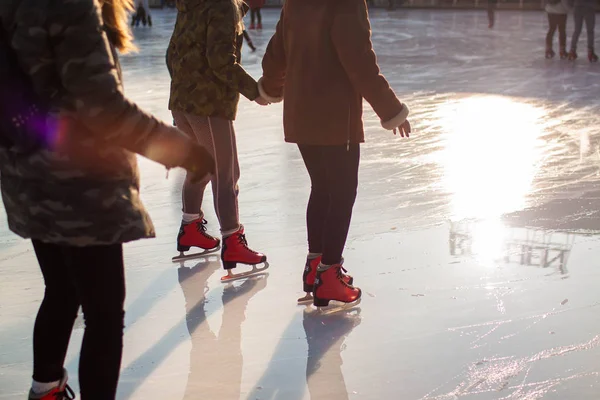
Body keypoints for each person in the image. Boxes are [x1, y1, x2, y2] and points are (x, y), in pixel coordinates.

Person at [0, 0, 214, 398]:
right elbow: (103, 108)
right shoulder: (70, 7)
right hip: (78, 185)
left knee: (61, 288)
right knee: (102, 315)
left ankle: (45, 389)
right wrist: (182, 150)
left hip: (24, 171)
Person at [259, 0, 411, 307]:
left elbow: (277, 52)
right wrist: (391, 110)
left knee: (323, 188)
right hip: (334, 116)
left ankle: (316, 267)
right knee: (342, 193)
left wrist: (271, 88)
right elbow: (359, 61)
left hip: (301, 113)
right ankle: (328, 277)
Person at [167, 0, 268, 280]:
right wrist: (255, 91)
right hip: (208, 105)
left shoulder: (191, 4)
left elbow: (171, 53)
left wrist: (180, 94)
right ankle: (233, 242)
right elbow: (221, 62)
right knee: (226, 173)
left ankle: (190, 228)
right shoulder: (223, 6)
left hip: (183, 102)